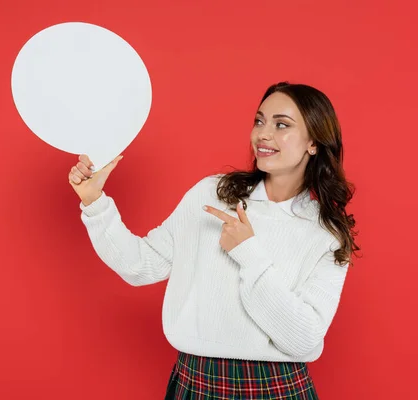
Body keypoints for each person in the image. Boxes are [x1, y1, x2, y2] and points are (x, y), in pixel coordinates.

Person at [68, 82, 359, 399]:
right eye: (259, 121)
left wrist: (248, 253)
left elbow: (303, 338)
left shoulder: (325, 233)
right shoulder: (213, 194)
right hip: (197, 380)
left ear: (313, 142)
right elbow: (141, 265)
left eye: (281, 125)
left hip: (276, 387)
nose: (263, 134)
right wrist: (94, 201)